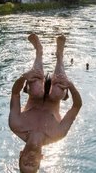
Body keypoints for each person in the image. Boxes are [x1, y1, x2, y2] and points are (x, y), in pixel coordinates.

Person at [8, 34, 82, 173]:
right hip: (57, 93)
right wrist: (70, 86)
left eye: (25, 163)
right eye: (33, 164)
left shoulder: (16, 125)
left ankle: (39, 51)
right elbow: (76, 106)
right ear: (41, 158)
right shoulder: (57, 134)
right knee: (56, 94)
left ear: (20, 155)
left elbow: (15, 94)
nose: (30, 160)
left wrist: (24, 77)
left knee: (36, 89)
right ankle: (60, 55)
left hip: (34, 91)